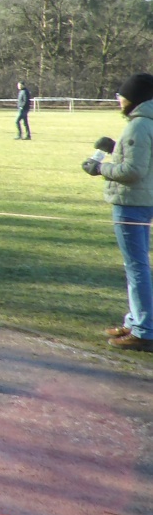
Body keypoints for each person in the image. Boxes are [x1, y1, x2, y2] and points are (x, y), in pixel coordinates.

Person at [81, 72, 153, 351]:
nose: (119, 100)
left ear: (133, 98)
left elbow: (133, 172)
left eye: (121, 95)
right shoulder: (147, 124)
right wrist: (116, 150)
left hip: (131, 205)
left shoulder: (138, 126)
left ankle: (144, 329)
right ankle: (136, 320)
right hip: (145, 201)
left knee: (136, 268)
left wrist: (99, 168)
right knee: (138, 266)